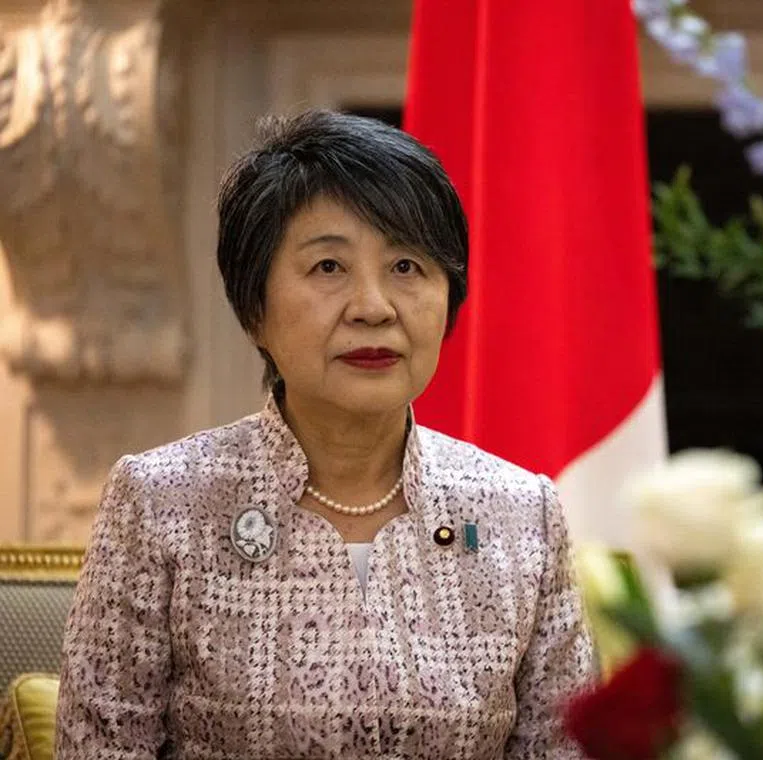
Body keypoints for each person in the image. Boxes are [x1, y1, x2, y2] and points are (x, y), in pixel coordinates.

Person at [54, 109, 596, 759]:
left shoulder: (520, 514)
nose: (373, 306)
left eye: (406, 266)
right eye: (329, 268)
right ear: (254, 309)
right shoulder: (162, 501)